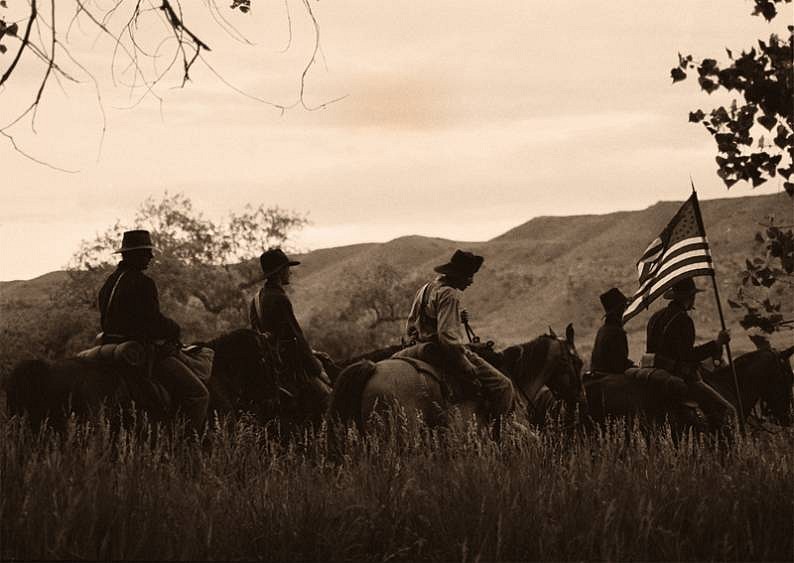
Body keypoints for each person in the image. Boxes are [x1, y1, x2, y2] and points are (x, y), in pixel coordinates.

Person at [98, 230, 209, 430]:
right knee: (198, 394)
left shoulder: (109, 282)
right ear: (132, 254)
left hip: (109, 347)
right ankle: (186, 445)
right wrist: (174, 328)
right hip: (138, 351)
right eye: (145, 252)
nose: (150, 257)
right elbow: (152, 323)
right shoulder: (143, 282)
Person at [400, 249, 514, 420]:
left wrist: (456, 318)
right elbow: (447, 337)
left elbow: (415, 322)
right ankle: (499, 433)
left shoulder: (425, 289)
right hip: (441, 350)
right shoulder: (450, 294)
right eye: (469, 276)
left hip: (418, 347)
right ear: (457, 275)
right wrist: (464, 362)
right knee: (503, 385)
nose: (471, 281)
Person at [645, 277, 735, 429]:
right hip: (678, 375)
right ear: (689, 297)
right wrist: (717, 344)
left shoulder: (656, 316)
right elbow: (688, 355)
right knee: (727, 410)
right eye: (693, 295)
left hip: (655, 371)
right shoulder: (683, 319)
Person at [249, 248, 331, 411]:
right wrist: (316, 369)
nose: (290, 273)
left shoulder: (256, 298)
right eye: (287, 269)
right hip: (288, 365)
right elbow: (296, 336)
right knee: (328, 398)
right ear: (280, 272)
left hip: (267, 364)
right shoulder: (279, 298)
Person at [590, 287, 635, 374]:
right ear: (617, 312)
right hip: (609, 377)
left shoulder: (603, 330)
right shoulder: (616, 332)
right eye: (622, 309)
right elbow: (618, 364)